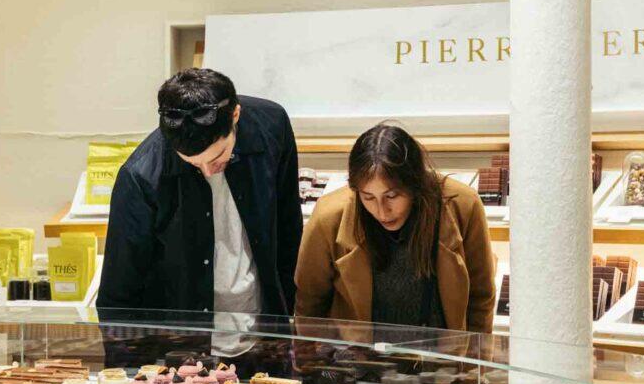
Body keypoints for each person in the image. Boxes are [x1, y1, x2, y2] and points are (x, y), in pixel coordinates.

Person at [97, 68, 303, 363]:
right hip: (184, 357)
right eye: (193, 164)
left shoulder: (271, 126)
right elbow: (119, 295)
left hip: (263, 343)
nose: (207, 171)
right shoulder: (140, 177)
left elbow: (288, 227)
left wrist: (283, 320)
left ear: (235, 116)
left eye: (218, 158)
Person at [295, 123, 496, 337]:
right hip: (358, 364)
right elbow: (309, 303)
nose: (382, 212)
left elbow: (480, 297)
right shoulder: (328, 218)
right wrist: (314, 365)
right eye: (368, 197)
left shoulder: (464, 206)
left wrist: (475, 364)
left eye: (392, 196)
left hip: (442, 364)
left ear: (414, 183)